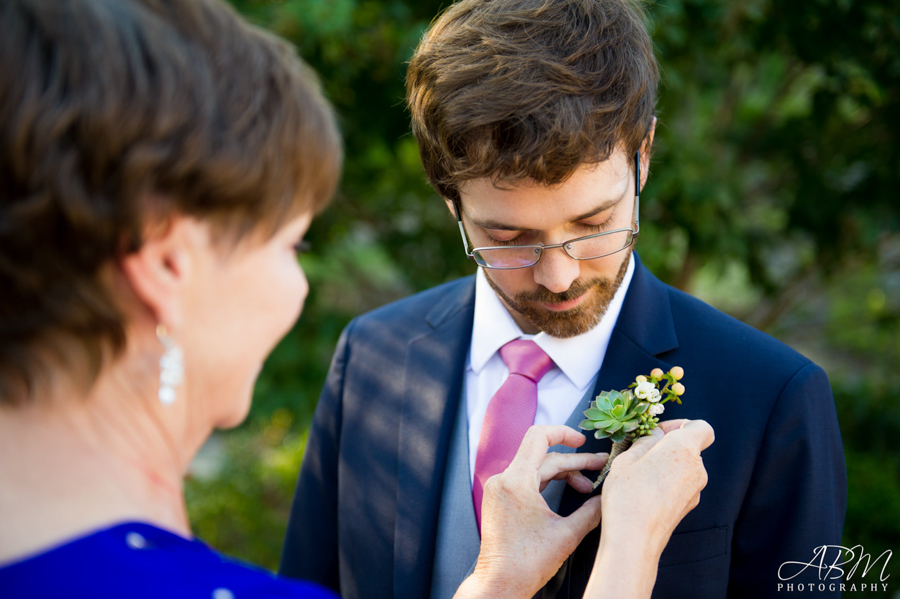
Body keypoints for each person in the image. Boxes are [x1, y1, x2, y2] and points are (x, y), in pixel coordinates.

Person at [0, 0, 714, 598]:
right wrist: (627, 560)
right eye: (292, 244)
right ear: (165, 261)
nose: (299, 285)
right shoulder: (372, 353)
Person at [280, 0, 847, 598]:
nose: (557, 275)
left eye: (594, 222)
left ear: (644, 155)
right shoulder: (373, 356)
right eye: (508, 238)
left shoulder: (772, 398)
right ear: (449, 198)